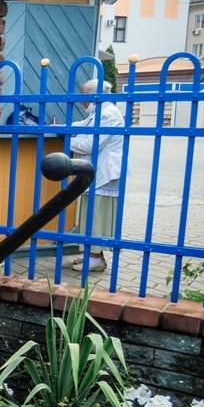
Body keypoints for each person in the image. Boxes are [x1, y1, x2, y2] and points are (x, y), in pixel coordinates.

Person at [68, 78, 124, 272]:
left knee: (97, 215)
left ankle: (95, 258)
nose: (81, 101)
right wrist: (63, 128)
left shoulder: (108, 114)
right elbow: (82, 125)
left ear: (93, 95)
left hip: (105, 173)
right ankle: (92, 254)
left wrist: (66, 139)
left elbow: (90, 144)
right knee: (90, 213)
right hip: (95, 173)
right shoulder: (99, 112)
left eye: (83, 96)